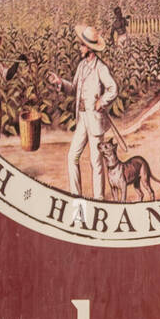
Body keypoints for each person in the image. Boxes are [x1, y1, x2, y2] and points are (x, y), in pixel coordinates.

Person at [49, 24, 118, 200]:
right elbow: (73, 89)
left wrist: (101, 102)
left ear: (89, 48)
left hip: (95, 120)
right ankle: (76, 196)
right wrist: (60, 83)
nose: (79, 47)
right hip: (83, 119)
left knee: (96, 162)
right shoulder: (81, 66)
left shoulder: (100, 68)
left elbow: (113, 89)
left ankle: (99, 200)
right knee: (72, 156)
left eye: (81, 45)